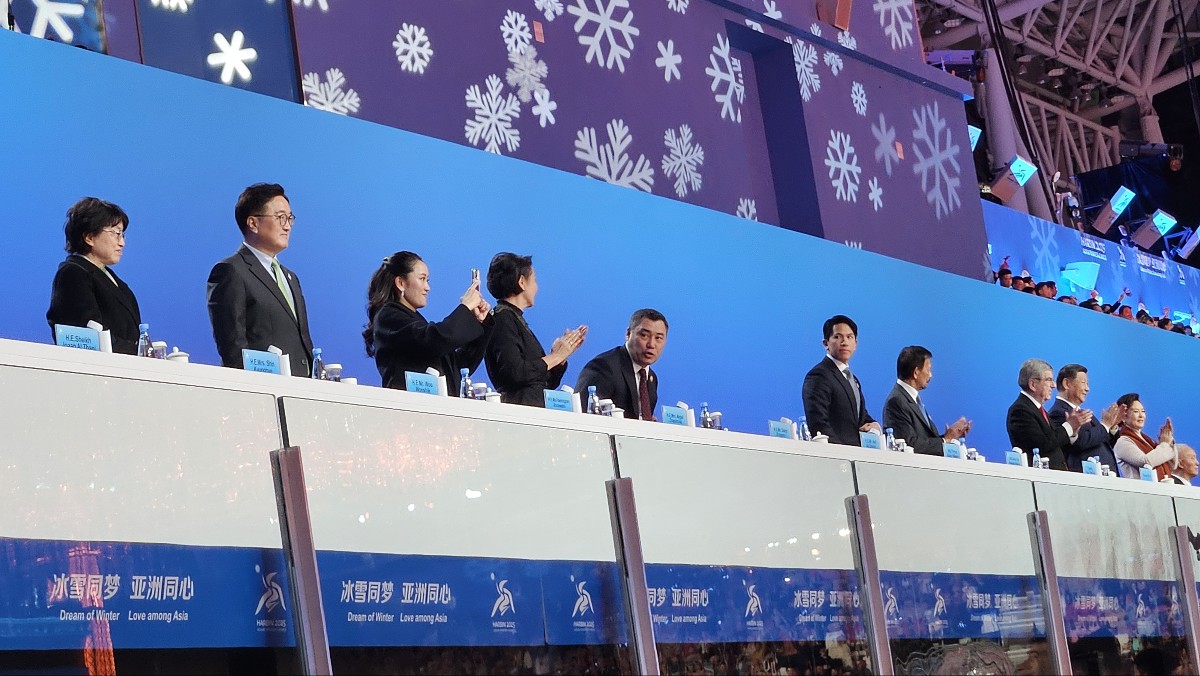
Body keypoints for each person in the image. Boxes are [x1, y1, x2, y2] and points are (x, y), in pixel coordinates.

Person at [207, 183, 314, 377]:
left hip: (302, 390)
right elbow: (233, 347)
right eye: (280, 217)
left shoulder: (291, 278)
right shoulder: (231, 271)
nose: (288, 226)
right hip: (263, 390)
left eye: (290, 218)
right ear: (253, 223)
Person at [363, 251, 491, 395]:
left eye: (427, 280)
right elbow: (435, 339)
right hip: (409, 410)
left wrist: (481, 323)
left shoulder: (415, 321)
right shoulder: (389, 316)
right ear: (400, 283)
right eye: (422, 279)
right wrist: (465, 307)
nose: (427, 287)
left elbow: (457, 366)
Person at [484, 252, 587, 406]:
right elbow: (514, 373)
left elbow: (543, 383)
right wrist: (555, 357)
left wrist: (560, 358)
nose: (537, 287)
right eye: (535, 280)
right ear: (522, 282)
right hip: (518, 413)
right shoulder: (502, 319)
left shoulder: (514, 319)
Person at [46, 197, 142, 354]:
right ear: (89, 237)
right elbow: (84, 334)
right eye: (116, 233)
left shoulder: (119, 284)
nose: (122, 243)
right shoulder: (73, 274)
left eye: (123, 235)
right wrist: (137, 352)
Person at [575, 308, 668, 420]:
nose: (651, 344)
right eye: (644, 335)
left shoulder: (651, 378)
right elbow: (584, 416)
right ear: (628, 334)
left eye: (658, 338)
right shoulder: (603, 367)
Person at [801, 315, 880, 446]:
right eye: (837, 337)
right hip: (837, 458)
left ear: (856, 344)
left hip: (857, 456)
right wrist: (841, 453)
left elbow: (859, 416)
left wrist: (874, 425)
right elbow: (819, 423)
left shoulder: (852, 379)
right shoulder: (819, 375)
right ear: (826, 344)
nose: (844, 342)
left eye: (850, 337)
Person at [881, 346, 970, 455]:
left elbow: (923, 440)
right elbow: (908, 444)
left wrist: (950, 437)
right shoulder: (896, 401)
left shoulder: (913, 399)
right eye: (928, 369)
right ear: (916, 372)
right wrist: (945, 439)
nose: (931, 375)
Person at [1006, 358, 1089, 469]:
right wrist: (1069, 426)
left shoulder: (1037, 409)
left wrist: (1073, 432)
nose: (1053, 385)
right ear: (1033, 384)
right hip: (1040, 480)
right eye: (1049, 380)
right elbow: (1041, 445)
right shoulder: (1020, 410)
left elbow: (1055, 443)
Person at [1048, 364, 1124, 474]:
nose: (1087, 389)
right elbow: (1080, 441)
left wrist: (1112, 428)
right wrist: (1105, 425)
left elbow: (1105, 441)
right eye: (1083, 383)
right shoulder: (1058, 412)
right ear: (1066, 383)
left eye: (1087, 384)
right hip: (1086, 480)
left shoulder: (1085, 413)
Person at [1113, 392, 1177, 480]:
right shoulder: (1122, 442)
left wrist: (1169, 440)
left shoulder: (1148, 441)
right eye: (1136, 411)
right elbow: (1145, 462)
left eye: (1143, 411)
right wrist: (1164, 444)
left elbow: (1172, 465)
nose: (1141, 415)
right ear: (1123, 417)